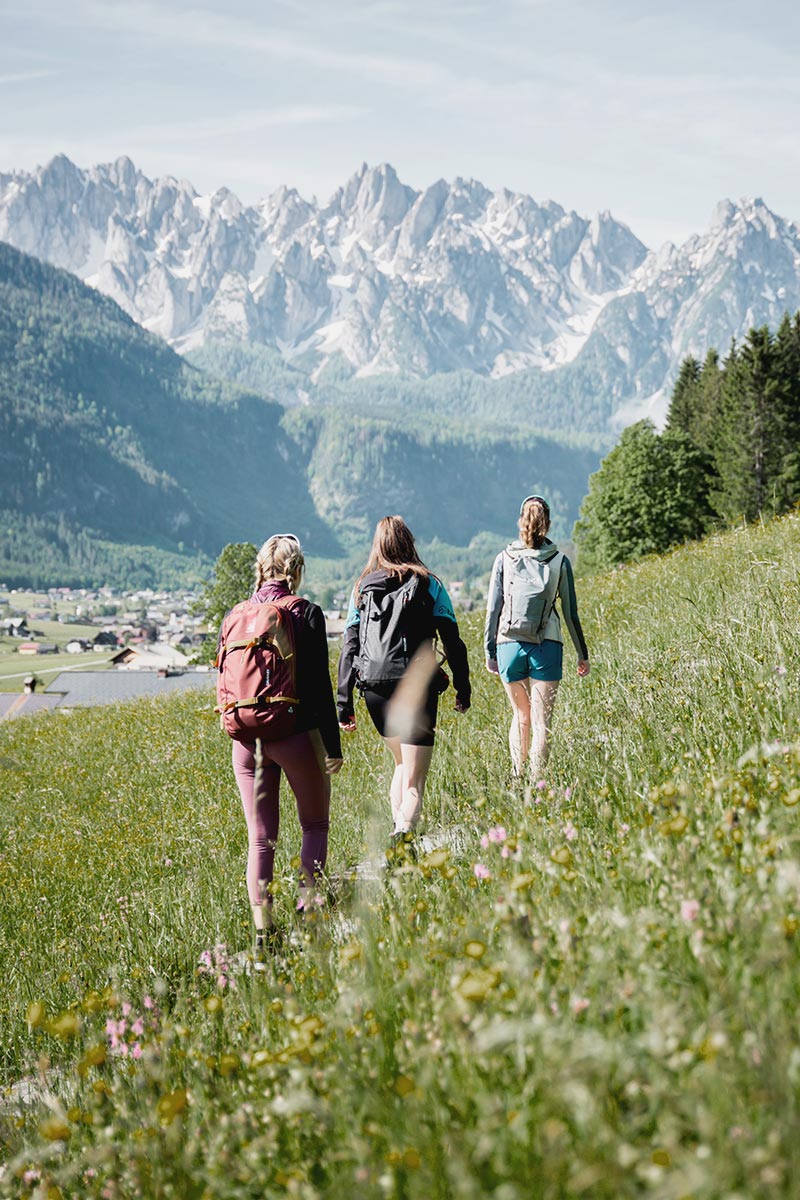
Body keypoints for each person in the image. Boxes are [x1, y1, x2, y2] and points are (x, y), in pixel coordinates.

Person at [223, 535, 342, 963]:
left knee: (260, 840)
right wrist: (332, 745)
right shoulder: (305, 612)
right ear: (296, 571)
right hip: (293, 734)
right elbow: (318, 687)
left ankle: (263, 934)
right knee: (314, 826)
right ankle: (309, 916)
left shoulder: (235, 614)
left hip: (245, 740)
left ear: (260, 569)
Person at [337, 516, 471, 853]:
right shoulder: (429, 584)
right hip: (415, 687)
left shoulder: (361, 588)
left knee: (401, 764)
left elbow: (349, 648)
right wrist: (463, 687)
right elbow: (453, 641)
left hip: (374, 689)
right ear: (409, 542)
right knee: (415, 780)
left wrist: (344, 703)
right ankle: (403, 835)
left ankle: (398, 834)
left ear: (378, 546)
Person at [485, 496, 589, 779]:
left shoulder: (503, 559)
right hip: (547, 645)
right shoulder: (560, 562)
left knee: (521, 716)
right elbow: (570, 613)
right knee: (542, 722)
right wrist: (583, 654)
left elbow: (493, 608)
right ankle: (537, 782)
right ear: (549, 524)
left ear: (520, 521)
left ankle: (517, 779)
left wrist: (490, 651)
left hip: (509, 644)